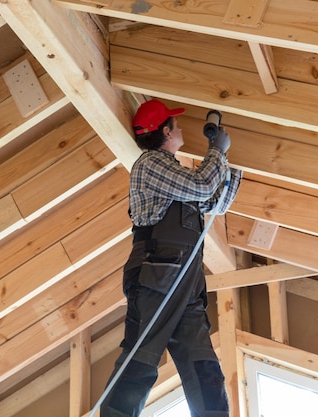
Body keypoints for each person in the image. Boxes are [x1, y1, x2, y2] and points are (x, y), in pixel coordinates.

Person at [100, 99, 243, 417]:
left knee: (203, 365)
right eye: (176, 125)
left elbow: (214, 204)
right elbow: (204, 186)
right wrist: (216, 152)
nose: (180, 128)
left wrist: (232, 164)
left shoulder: (174, 175)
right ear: (165, 131)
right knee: (142, 358)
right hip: (156, 276)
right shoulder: (151, 164)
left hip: (184, 282)